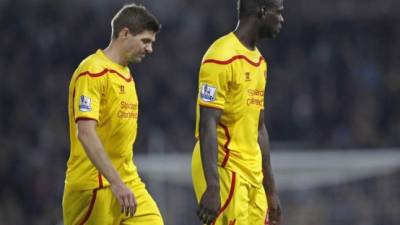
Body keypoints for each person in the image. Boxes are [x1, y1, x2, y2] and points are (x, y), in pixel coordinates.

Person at [62, 4, 163, 225]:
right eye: (145, 41)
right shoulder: (92, 71)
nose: (149, 49)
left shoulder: (126, 75)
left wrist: (121, 182)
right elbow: (86, 133)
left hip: (128, 180)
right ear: (124, 33)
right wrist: (116, 183)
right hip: (93, 185)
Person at [191, 0, 284, 224]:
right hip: (224, 168)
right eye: (279, 12)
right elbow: (207, 125)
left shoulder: (260, 62)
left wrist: (270, 190)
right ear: (262, 12)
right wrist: (213, 186)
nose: (282, 19)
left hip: (252, 175)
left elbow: (259, 128)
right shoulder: (220, 57)